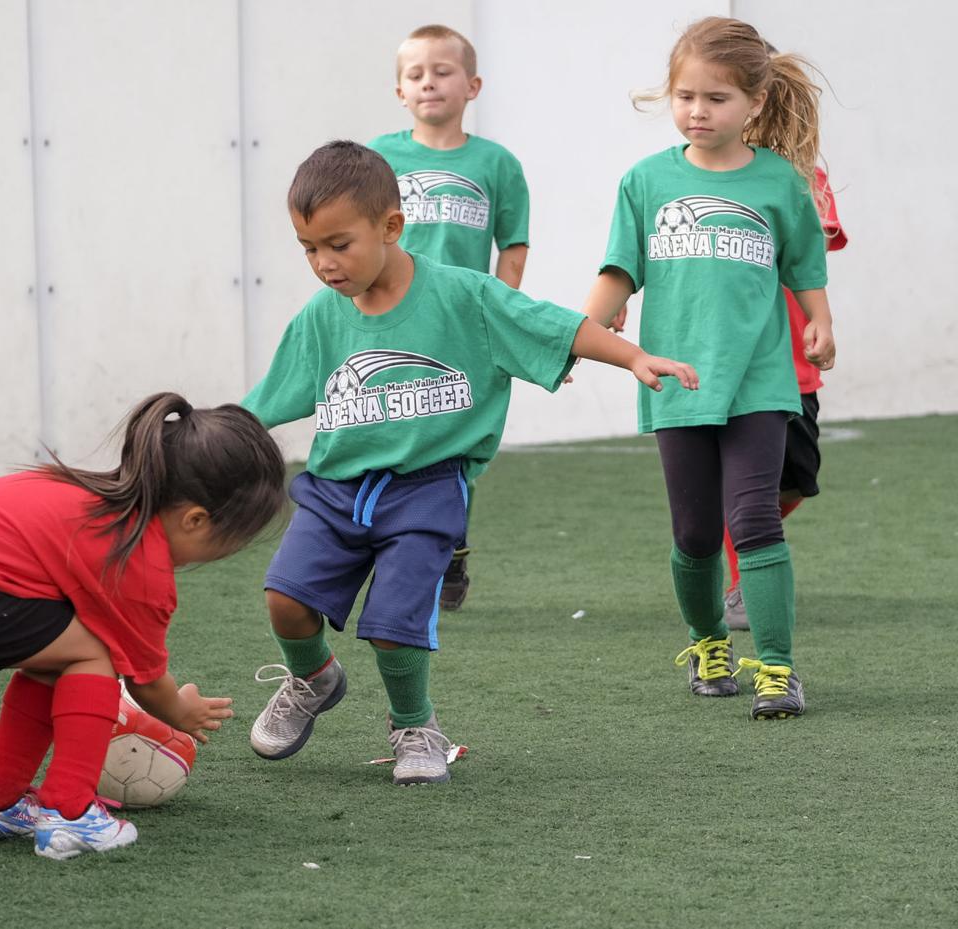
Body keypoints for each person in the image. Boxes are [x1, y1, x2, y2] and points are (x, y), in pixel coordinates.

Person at [242, 140, 697, 786]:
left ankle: (414, 723)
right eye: (308, 248)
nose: (323, 263)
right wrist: (209, 431)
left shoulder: (464, 296)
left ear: (391, 227)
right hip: (335, 488)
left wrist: (632, 357)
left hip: (427, 491)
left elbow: (555, 326)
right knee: (284, 599)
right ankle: (313, 679)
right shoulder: (321, 317)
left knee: (395, 626)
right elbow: (264, 401)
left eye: (338, 244)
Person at [0, 393, 285, 859]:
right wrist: (180, 713)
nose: (223, 556)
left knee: (60, 656)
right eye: (229, 543)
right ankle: (70, 813)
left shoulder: (90, 495)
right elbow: (145, 683)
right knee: (98, 655)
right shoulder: (139, 562)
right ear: (195, 519)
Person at [580, 16, 836, 719]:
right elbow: (616, 271)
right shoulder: (645, 181)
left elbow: (805, 266)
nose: (698, 110)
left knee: (755, 516)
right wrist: (584, 329)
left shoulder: (783, 182)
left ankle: (779, 669)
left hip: (759, 379)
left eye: (716, 98)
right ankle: (708, 641)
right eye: (686, 95)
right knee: (694, 533)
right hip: (675, 379)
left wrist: (820, 321)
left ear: (754, 104)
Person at [368, 24, 531, 611]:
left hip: (463, 324)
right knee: (387, 429)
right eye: (415, 75)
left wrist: (501, 310)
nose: (429, 83)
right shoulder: (379, 158)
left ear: (473, 85)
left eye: (442, 71)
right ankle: (391, 541)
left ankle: (450, 545)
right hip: (388, 318)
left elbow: (513, 245)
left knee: (454, 442)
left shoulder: (497, 163)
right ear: (399, 92)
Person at [722, 169, 849, 629]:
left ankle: (742, 526)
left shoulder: (805, 177)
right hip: (739, 363)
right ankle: (742, 584)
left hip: (796, 364)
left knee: (796, 480)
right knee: (751, 494)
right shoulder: (709, 176)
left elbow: (816, 244)